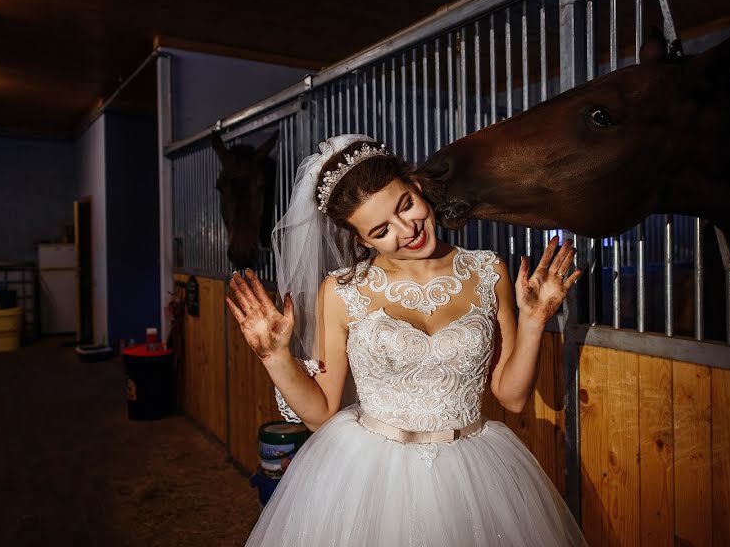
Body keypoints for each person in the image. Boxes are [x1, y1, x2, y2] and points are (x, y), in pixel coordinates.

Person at [226, 134, 588, 546]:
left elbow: (512, 396)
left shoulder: (488, 271)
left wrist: (536, 318)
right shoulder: (342, 292)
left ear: (416, 188)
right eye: (381, 230)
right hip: (371, 476)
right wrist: (274, 356)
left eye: (406, 206)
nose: (407, 230)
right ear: (361, 240)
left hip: (472, 471)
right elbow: (321, 413)